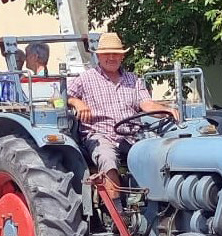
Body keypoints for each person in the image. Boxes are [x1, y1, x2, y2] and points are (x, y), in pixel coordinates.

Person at [67, 32, 177, 206]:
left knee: (159, 155)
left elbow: (146, 104)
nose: (111, 57)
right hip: (100, 134)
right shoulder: (85, 78)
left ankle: (161, 203)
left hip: (131, 135)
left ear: (122, 56)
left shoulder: (133, 79)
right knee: (107, 158)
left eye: (116, 53)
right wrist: (77, 103)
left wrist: (168, 110)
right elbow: (63, 96)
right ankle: (117, 213)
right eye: (107, 53)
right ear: (98, 55)